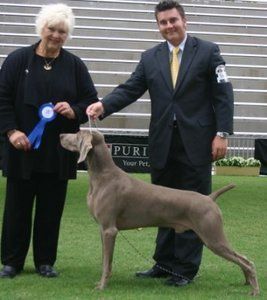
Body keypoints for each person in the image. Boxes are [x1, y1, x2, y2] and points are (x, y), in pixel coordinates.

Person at [87, 0, 234, 287]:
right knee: (160, 206)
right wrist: (103, 105)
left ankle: (184, 269)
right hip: (163, 143)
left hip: (197, 142)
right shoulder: (150, 57)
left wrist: (222, 133)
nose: (169, 26)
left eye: (173, 20)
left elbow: (223, 95)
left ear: (184, 20)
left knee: (192, 205)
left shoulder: (208, 51)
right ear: (158, 26)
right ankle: (164, 263)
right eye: (163, 22)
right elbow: (130, 88)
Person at [0, 3, 98, 278]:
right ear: (41, 28)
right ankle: (11, 261)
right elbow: (3, 99)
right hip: (22, 148)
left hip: (58, 151)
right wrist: (11, 131)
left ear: (68, 35)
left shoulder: (75, 65)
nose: (56, 35)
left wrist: (74, 110)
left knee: (51, 208)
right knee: (16, 207)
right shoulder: (18, 60)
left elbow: (90, 100)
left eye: (62, 31)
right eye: (51, 29)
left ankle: (45, 261)